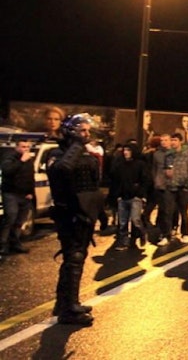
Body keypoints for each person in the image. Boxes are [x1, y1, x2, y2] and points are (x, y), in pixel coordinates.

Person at [47, 114, 103, 326]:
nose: (87, 135)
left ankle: (64, 303)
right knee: (74, 259)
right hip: (68, 215)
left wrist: (100, 213)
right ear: (71, 133)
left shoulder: (83, 153)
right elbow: (62, 170)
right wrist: (77, 145)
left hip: (84, 215)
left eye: (88, 131)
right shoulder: (58, 154)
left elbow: (91, 186)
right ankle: (69, 310)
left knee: (75, 259)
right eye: (82, 131)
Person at [109, 143, 149, 250]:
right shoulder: (120, 165)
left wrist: (141, 195)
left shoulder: (140, 164)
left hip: (135, 197)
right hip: (123, 197)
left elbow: (145, 181)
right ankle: (124, 242)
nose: (125, 152)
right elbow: (116, 181)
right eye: (124, 150)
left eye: (128, 150)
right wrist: (118, 195)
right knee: (122, 222)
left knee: (135, 220)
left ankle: (142, 233)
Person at [1, 139, 35, 255]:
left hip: (25, 195)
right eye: (23, 146)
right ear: (16, 147)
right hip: (11, 194)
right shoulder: (10, 158)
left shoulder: (29, 160)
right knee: (10, 218)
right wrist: (21, 161)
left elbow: (30, 176)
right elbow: (7, 171)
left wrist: (31, 192)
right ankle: (3, 245)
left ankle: (15, 243)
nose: (25, 149)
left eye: (27, 147)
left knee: (19, 221)